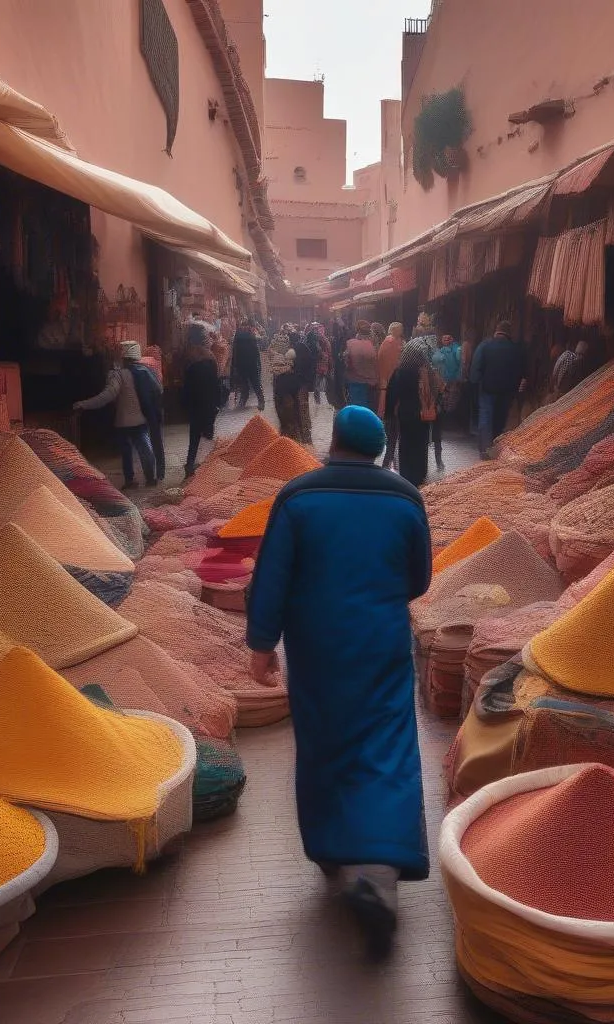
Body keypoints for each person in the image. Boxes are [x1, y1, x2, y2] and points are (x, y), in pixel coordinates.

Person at [247, 405, 432, 956]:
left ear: (334, 441)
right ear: (377, 448)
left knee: (326, 743)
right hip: (381, 644)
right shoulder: (405, 498)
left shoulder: (299, 497)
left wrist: (262, 645)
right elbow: (419, 578)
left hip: (317, 648)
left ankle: (334, 852)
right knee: (387, 745)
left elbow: (271, 576)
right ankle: (376, 871)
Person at [75, 341, 158, 490]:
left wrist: (83, 404)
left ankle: (130, 481)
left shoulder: (118, 375)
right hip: (141, 420)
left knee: (127, 453)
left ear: (123, 357)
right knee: (145, 448)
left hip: (123, 422)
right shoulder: (147, 372)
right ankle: (151, 478)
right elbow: (157, 391)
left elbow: (107, 396)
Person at [469, 320, 527, 458]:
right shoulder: (515, 349)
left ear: (496, 331)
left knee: (485, 418)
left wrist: (474, 383)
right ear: (508, 333)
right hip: (507, 391)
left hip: (487, 389)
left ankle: (484, 450)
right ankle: (496, 447)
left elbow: (475, 368)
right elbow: (522, 370)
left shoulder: (485, 346)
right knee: (500, 419)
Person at [385, 340, 437, 488]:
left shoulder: (400, 372)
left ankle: (407, 480)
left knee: (406, 446)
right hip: (423, 416)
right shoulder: (428, 371)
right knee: (421, 446)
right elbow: (435, 393)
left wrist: (389, 414)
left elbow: (392, 395)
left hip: (407, 414)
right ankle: (420, 477)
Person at [182, 323, 223, 478]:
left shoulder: (188, 356)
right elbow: (215, 383)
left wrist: (185, 403)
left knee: (195, 435)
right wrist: (217, 403)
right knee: (208, 433)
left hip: (195, 403)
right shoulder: (209, 356)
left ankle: (191, 464)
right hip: (208, 402)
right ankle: (207, 466)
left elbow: (186, 384)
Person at [431, 333, 462, 472]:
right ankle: (438, 461)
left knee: (451, 404)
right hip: (443, 384)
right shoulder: (439, 352)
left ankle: (450, 423)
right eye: (444, 338)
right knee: (445, 406)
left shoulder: (456, 349)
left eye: (449, 337)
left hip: (451, 381)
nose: (447, 340)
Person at [378, 322, 406, 469]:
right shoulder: (391, 343)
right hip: (391, 388)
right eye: (400, 329)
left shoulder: (390, 342)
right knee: (392, 430)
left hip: (389, 387)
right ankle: (387, 462)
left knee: (392, 429)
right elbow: (390, 366)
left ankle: (390, 461)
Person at [270, 325, 302, 441]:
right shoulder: (291, 353)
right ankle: (291, 436)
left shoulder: (276, 356)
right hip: (288, 388)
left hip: (283, 388)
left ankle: (287, 435)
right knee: (290, 412)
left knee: (285, 412)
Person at [344, 321, 379, 410]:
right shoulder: (375, 345)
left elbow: (346, 363)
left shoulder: (351, 344)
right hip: (372, 383)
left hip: (355, 382)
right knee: (370, 409)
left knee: (357, 410)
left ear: (357, 332)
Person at [232, 319, 265, 411]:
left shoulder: (239, 334)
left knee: (246, 383)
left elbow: (235, 350)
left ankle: (245, 400)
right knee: (254, 382)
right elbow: (255, 350)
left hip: (243, 362)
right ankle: (260, 400)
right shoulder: (250, 334)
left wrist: (235, 364)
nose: (245, 328)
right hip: (250, 362)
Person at [295, 328, 319, 446]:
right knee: (303, 407)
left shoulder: (298, 349)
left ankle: (305, 434)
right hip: (304, 383)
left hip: (300, 384)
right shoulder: (305, 348)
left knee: (302, 407)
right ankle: (306, 432)